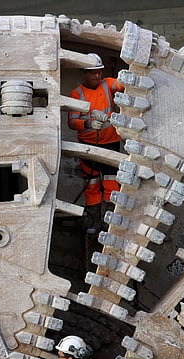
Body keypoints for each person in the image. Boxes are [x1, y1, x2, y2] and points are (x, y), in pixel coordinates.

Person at [67, 53, 125, 233]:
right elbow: (72, 122)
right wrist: (88, 124)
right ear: (84, 73)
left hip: (111, 143)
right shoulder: (77, 94)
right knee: (92, 185)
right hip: (88, 146)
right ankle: (93, 222)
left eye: (99, 72)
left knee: (111, 183)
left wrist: (126, 77)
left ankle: (110, 223)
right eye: (93, 73)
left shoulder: (108, 84)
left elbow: (121, 84)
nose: (97, 76)